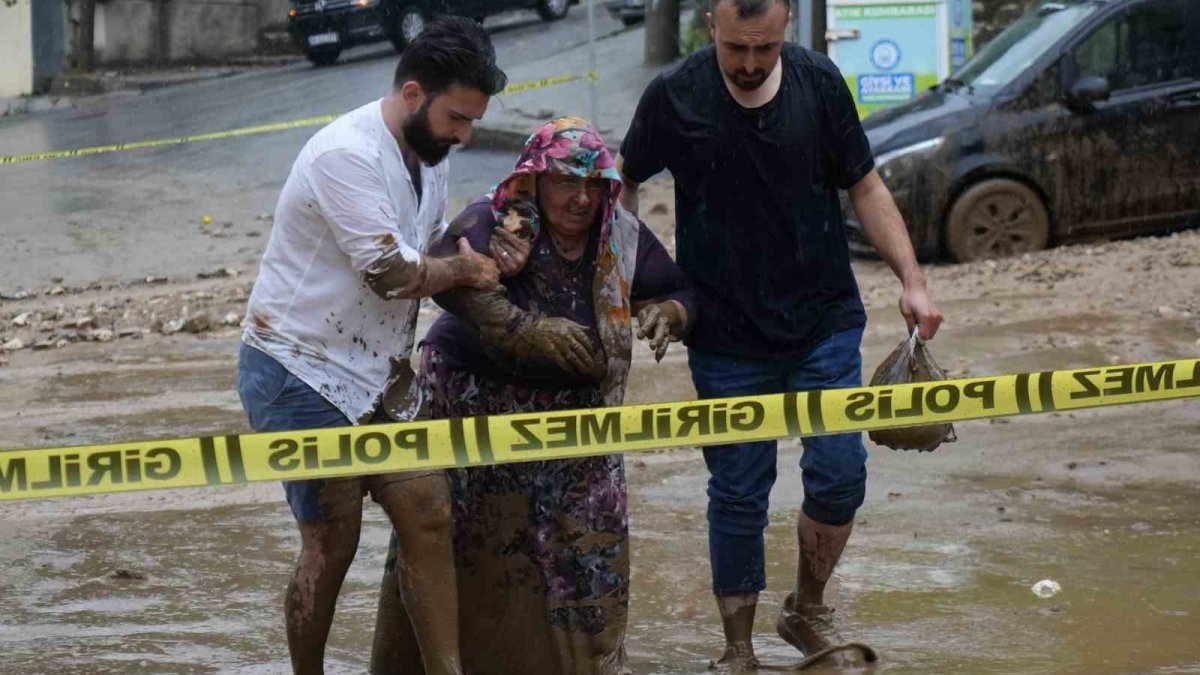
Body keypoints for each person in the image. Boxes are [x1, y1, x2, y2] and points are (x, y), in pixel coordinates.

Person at [616, 0, 944, 668]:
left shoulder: (820, 84)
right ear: (711, 24)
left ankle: (806, 606)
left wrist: (912, 279)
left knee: (840, 475)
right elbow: (619, 187)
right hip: (723, 332)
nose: (749, 63)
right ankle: (738, 648)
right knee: (737, 489)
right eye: (736, 48)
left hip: (823, 320)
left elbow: (867, 186)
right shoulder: (674, 96)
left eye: (764, 48)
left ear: (787, 24)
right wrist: (633, 284)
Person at [369, 116, 695, 675]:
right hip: (478, 426)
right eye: (567, 182)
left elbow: (682, 289)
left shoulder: (622, 237)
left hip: (580, 440)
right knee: (473, 557)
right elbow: (444, 276)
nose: (580, 198)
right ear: (535, 179)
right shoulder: (500, 220)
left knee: (588, 561)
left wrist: (669, 312)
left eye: (593, 184)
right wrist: (521, 326)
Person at [236, 18, 512, 675]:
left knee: (430, 511)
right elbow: (393, 274)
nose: (465, 135)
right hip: (295, 369)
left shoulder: (430, 156)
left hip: (380, 375)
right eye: (456, 118)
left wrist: (488, 253)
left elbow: (428, 248)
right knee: (332, 542)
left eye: (473, 121)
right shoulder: (346, 155)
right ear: (413, 93)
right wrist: (469, 272)